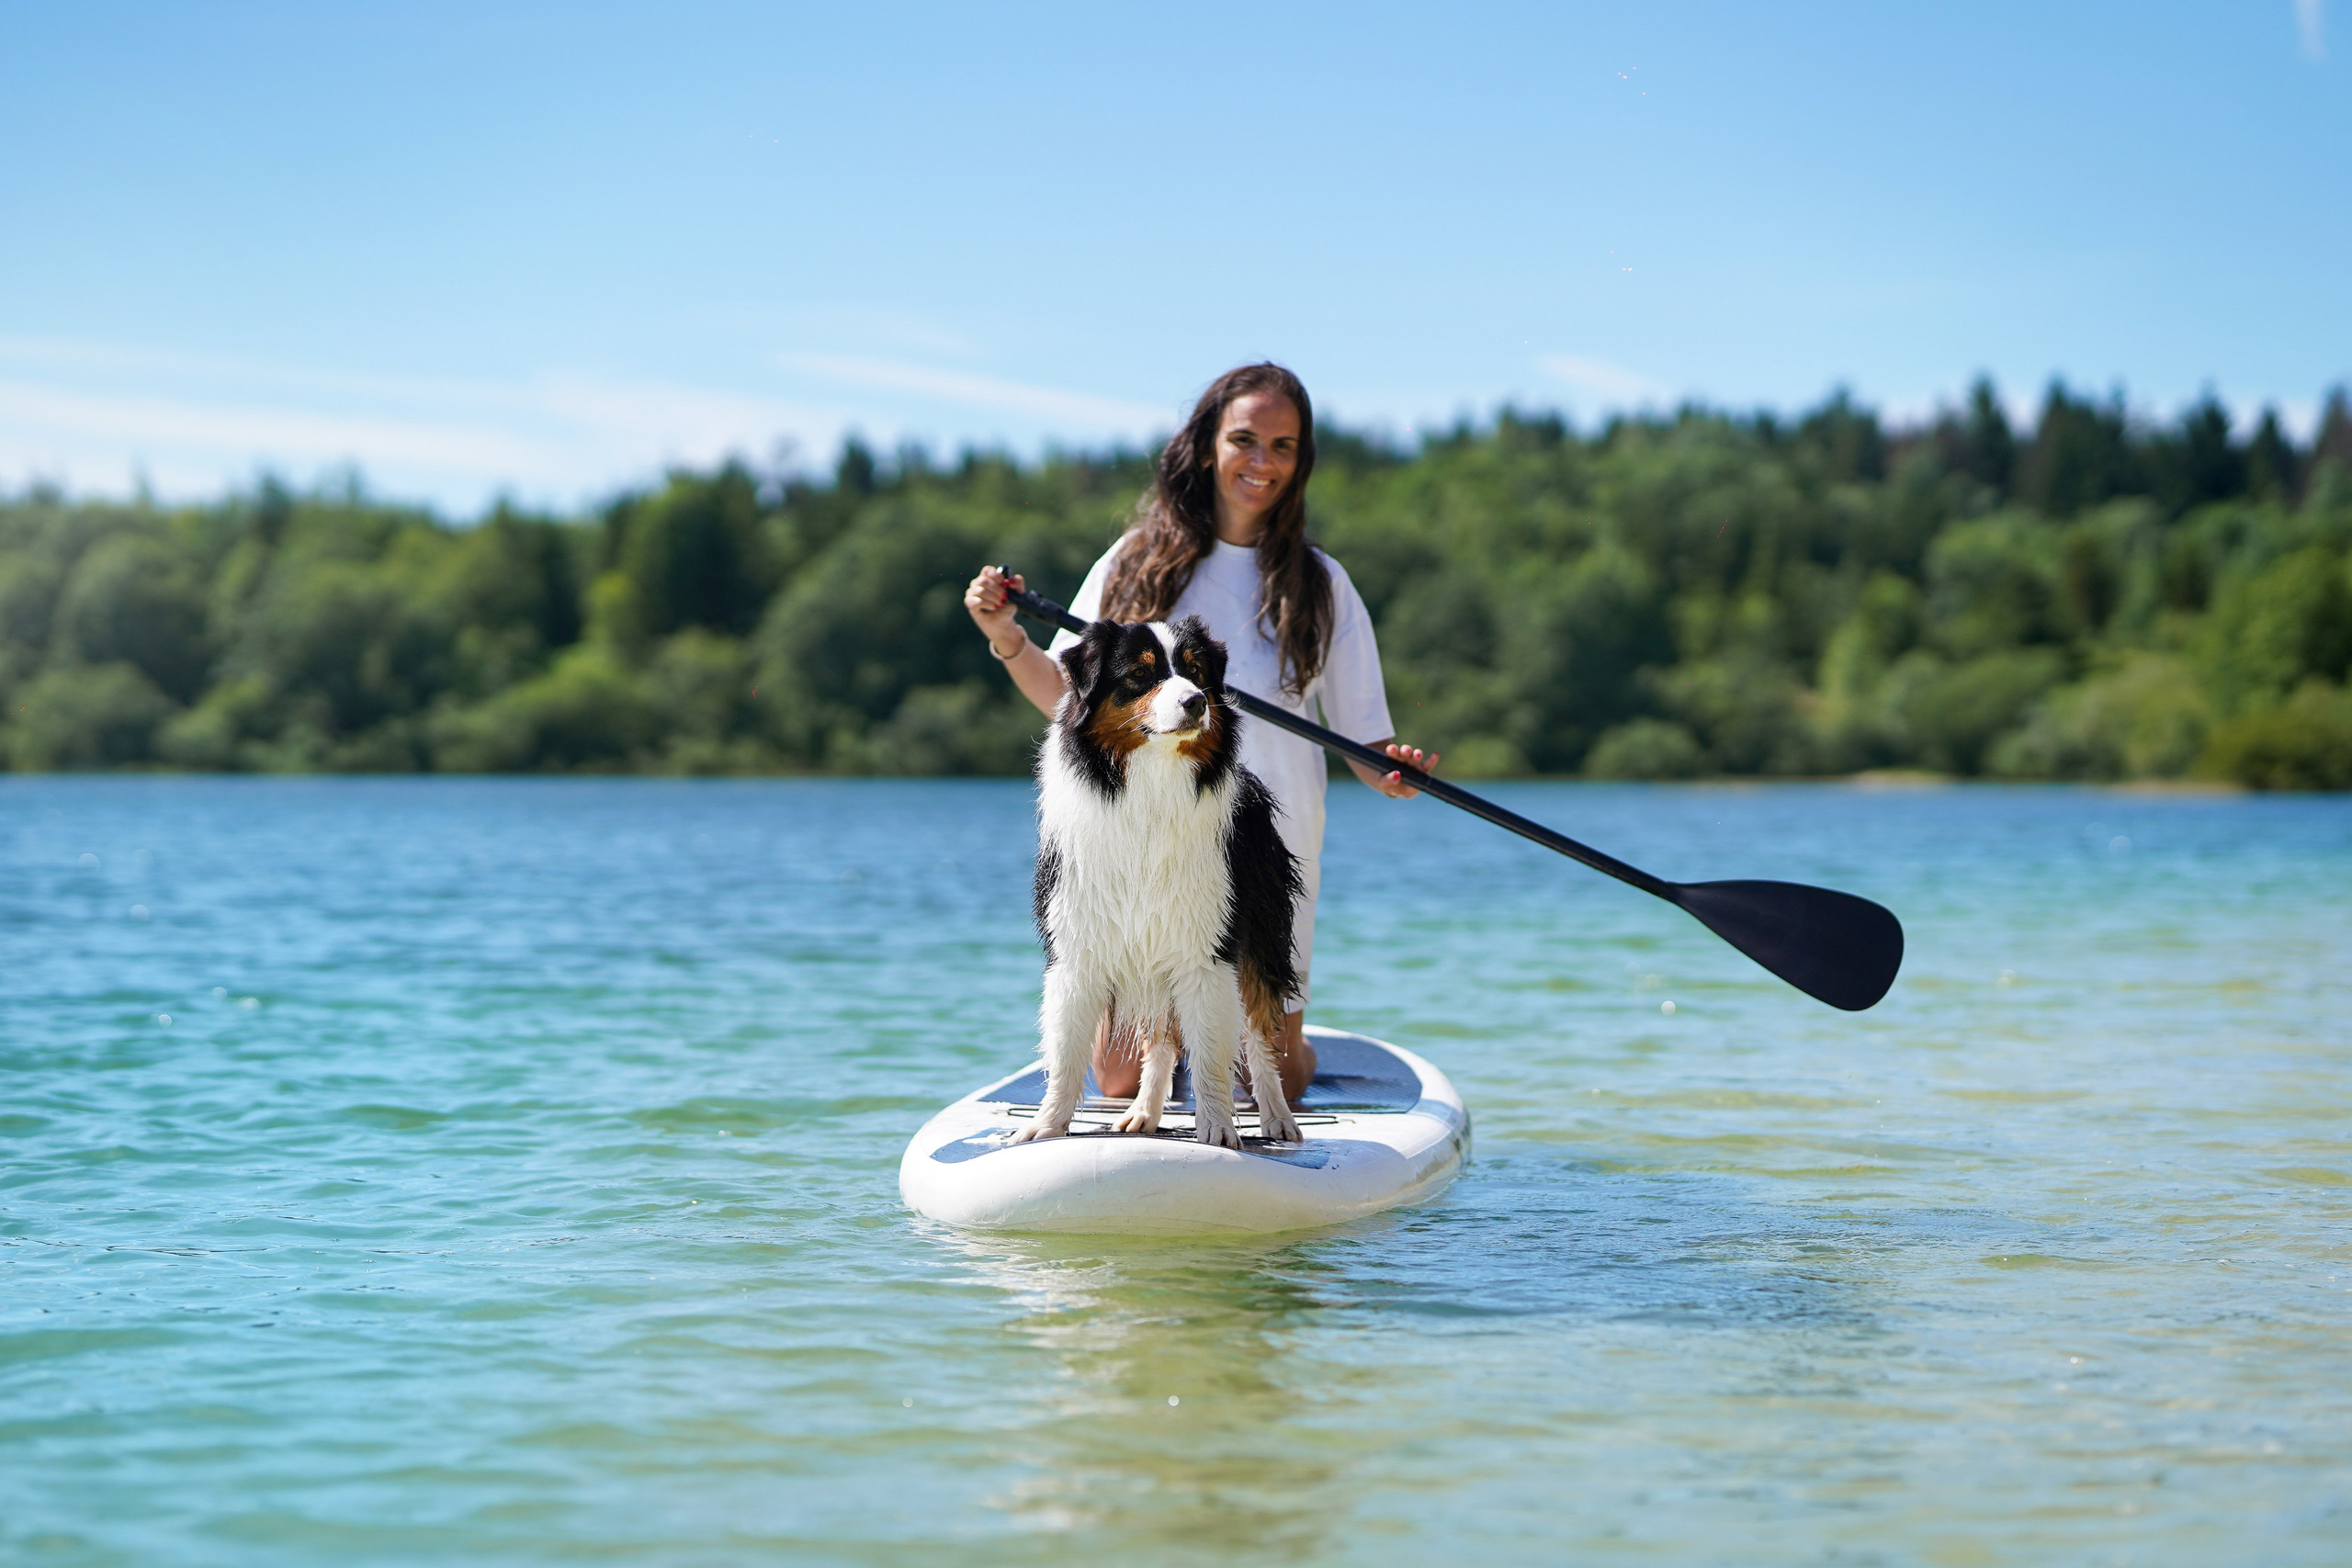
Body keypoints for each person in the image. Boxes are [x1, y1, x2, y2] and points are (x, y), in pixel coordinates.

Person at [963, 362, 1435, 1107]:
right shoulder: (1135, 561)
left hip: (1260, 847)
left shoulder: (1321, 584)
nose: (1262, 460)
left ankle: (1288, 1046)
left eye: (1283, 445)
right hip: (1141, 848)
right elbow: (1066, 696)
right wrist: (1006, 637)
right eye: (1244, 439)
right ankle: (1168, 1045)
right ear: (1208, 445)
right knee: (1116, 1079)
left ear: (1301, 460)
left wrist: (1392, 771)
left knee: (1263, 1079)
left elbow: (1366, 744)